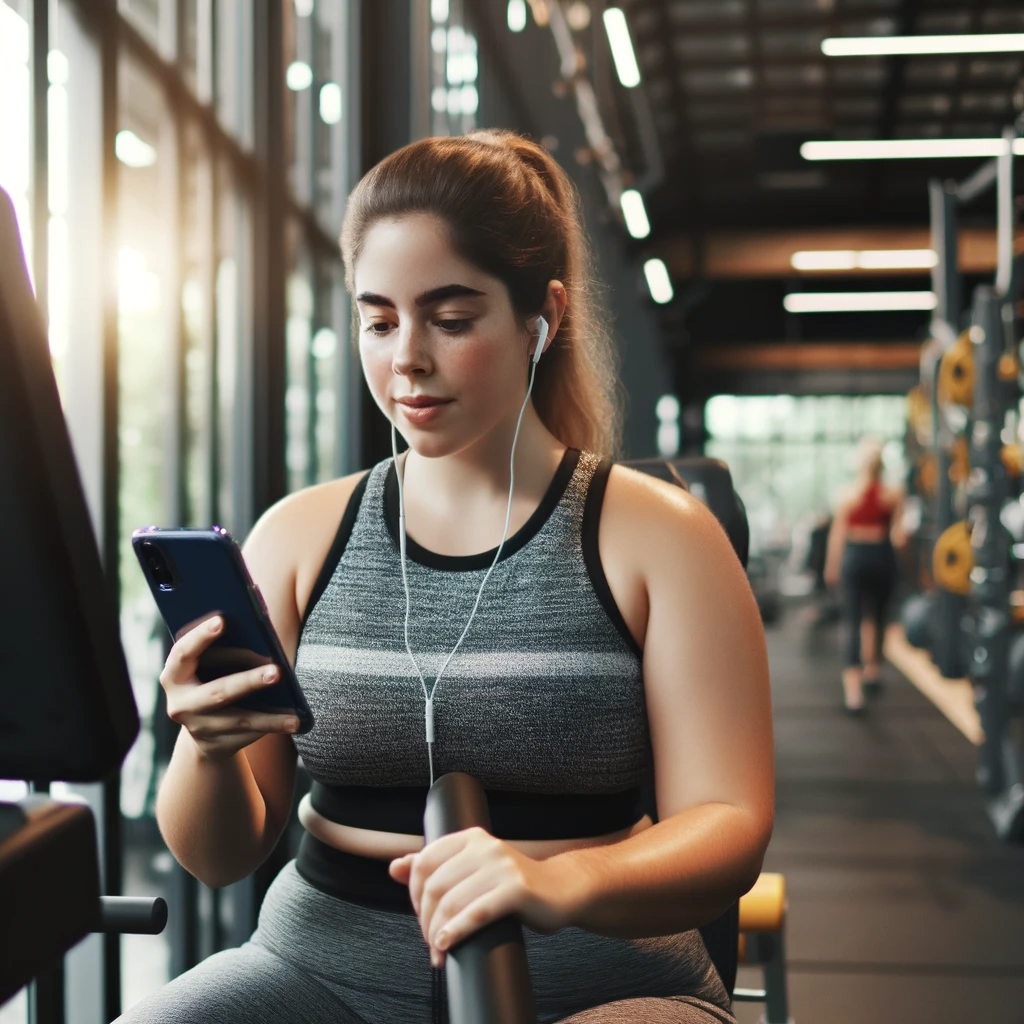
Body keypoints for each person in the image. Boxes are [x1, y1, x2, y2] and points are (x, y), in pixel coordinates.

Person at [120, 131, 773, 1023]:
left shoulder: (660, 537)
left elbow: (731, 820)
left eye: (451, 319)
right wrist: (206, 745)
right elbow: (217, 854)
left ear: (541, 315)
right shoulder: (299, 535)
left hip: (599, 978)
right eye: (379, 320)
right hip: (318, 969)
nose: (406, 359)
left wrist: (559, 881)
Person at [825, 438, 904, 714]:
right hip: (876, 555)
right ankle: (862, 681)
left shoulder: (858, 493)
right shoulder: (890, 494)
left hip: (864, 557)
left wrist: (832, 566)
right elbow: (900, 537)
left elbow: (838, 535)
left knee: (865, 620)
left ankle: (859, 686)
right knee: (867, 620)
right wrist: (832, 565)